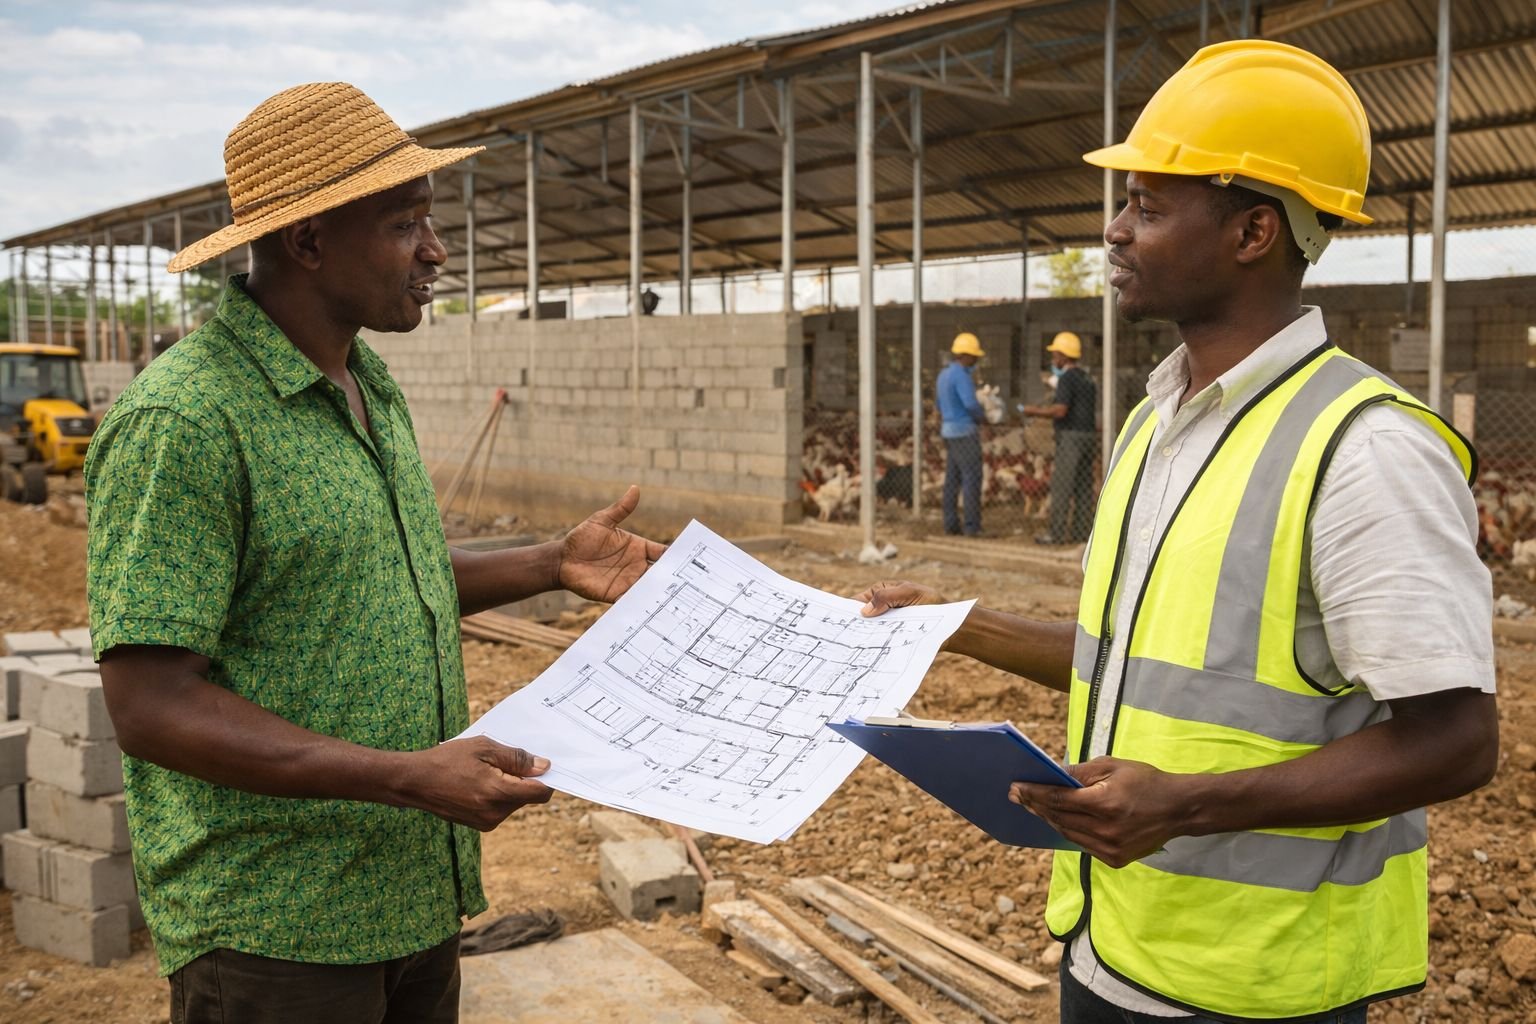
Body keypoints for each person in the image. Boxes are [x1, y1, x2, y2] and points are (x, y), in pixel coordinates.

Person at [857, 40, 1497, 1023]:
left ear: (1251, 233)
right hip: (1113, 937)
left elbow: (1457, 743)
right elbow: (1134, 668)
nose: (1114, 231)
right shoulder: (1156, 422)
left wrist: (1188, 803)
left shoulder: (1363, 451)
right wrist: (956, 624)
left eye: (1149, 208)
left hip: (1258, 981)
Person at [84, 83, 664, 1024]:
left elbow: (382, 579)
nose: (435, 251)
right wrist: (406, 774)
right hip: (279, 927)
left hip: (408, 895)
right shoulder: (185, 422)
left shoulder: (365, 383)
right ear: (308, 242)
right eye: (405, 225)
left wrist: (553, 561)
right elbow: (150, 706)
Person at [1023, 331, 1098, 544]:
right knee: (1084, 486)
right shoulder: (1087, 379)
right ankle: (1081, 532)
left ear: (1063, 355)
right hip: (1088, 436)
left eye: (1055, 353)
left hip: (1071, 438)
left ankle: (1055, 535)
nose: (1053, 358)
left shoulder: (1066, 378)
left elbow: (1061, 410)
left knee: (1062, 486)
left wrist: (1033, 411)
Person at [937, 331, 987, 536]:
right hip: (965, 431)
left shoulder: (943, 375)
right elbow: (970, 404)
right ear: (966, 355)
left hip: (948, 432)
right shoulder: (962, 376)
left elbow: (939, 404)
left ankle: (950, 524)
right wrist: (982, 417)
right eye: (974, 356)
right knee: (971, 478)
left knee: (952, 480)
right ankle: (971, 526)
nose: (976, 360)